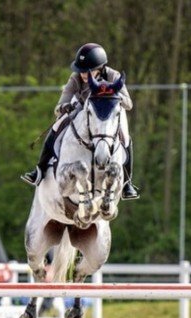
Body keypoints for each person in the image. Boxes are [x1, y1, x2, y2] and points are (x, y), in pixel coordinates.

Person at [21, 42, 139, 200]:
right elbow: (59, 106)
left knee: (125, 136)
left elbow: (129, 105)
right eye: (81, 70)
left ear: (101, 67)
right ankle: (40, 170)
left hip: (108, 114)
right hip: (84, 110)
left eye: (88, 71)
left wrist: (113, 93)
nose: (83, 74)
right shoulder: (76, 78)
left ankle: (127, 183)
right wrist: (64, 107)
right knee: (57, 126)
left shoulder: (113, 76)